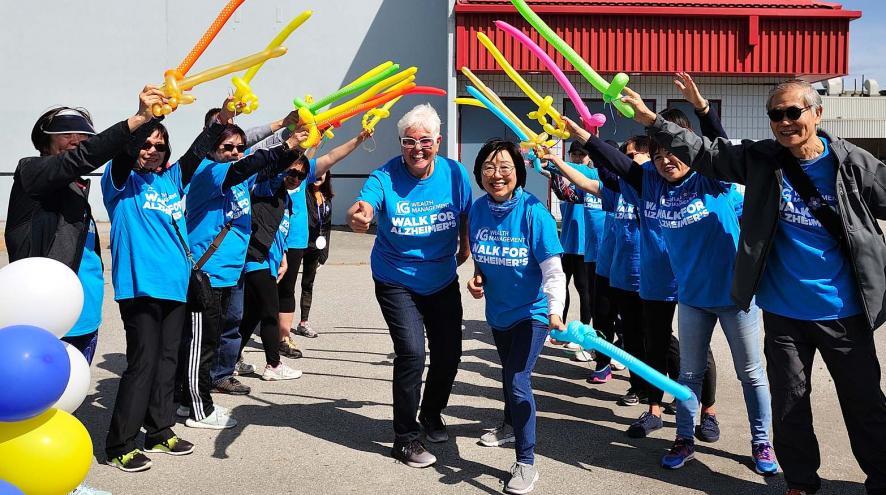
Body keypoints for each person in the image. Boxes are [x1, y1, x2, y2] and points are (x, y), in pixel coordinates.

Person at [631, 78, 886, 495]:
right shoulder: (762, 160)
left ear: (816, 113)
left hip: (844, 312)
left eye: (793, 112)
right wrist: (653, 122)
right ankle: (800, 481)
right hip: (784, 312)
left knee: (865, 406)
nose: (784, 122)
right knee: (789, 407)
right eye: (776, 114)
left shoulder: (850, 163)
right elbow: (706, 153)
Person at [563, 82, 776, 474]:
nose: (665, 161)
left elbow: (721, 146)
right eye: (658, 155)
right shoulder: (651, 187)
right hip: (693, 298)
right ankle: (683, 438)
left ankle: (762, 443)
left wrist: (702, 109)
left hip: (735, 297)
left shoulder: (710, 177)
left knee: (752, 374)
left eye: (672, 152)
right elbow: (620, 165)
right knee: (687, 375)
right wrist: (589, 141)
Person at [102, 100, 235, 471]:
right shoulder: (119, 180)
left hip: (177, 286)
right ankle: (120, 444)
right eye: (146, 144)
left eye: (160, 145)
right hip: (141, 286)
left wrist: (221, 123)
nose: (152, 150)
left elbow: (195, 153)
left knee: (168, 361)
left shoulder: (170, 179)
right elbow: (126, 149)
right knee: (142, 363)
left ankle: (159, 431)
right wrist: (152, 116)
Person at [347, 104, 471, 468]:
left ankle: (430, 413)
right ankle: (404, 438)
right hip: (395, 278)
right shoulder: (384, 176)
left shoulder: (454, 173)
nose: (417, 148)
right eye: (409, 141)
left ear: (438, 142)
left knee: (449, 354)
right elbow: (365, 204)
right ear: (400, 143)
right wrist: (362, 215)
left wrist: (465, 249)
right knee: (413, 353)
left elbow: (465, 214)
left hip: (441, 278)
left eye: (425, 141)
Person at [5, 87, 164, 365]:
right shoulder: (31, 171)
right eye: (66, 134)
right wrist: (138, 118)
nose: (76, 140)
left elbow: (123, 154)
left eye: (83, 136)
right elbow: (85, 156)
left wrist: (151, 119)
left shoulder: (78, 189)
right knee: (39, 398)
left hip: (85, 315)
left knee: (72, 396)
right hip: (45, 312)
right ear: (45, 142)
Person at [178, 116, 308, 430]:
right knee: (202, 343)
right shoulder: (210, 172)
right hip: (206, 272)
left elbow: (266, 168)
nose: (236, 152)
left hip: (229, 273)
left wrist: (299, 145)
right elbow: (248, 166)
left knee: (219, 335)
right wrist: (288, 139)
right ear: (211, 149)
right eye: (228, 147)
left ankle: (194, 397)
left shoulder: (238, 178)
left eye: (240, 147)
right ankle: (197, 407)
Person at [468, 139, 566, 494]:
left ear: (518, 172)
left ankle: (526, 462)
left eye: (505, 167)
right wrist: (479, 277)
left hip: (533, 313)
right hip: (498, 312)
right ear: (480, 173)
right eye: (489, 168)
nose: (497, 175)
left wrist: (555, 313)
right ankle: (510, 425)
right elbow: (482, 253)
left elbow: (554, 273)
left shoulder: (533, 212)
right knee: (509, 374)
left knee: (518, 379)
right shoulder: (478, 210)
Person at [281, 131, 372, 344]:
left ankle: (283, 338)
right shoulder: (277, 176)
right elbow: (306, 157)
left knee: (287, 292)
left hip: (298, 242)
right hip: (275, 243)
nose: (296, 175)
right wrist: (309, 142)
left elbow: (332, 156)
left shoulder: (304, 179)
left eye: (300, 173)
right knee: (270, 293)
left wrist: (358, 139)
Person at [236, 150, 316, 381]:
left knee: (251, 316)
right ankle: (273, 364)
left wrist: (282, 257)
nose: (294, 178)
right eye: (291, 171)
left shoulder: (286, 198)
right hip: (256, 259)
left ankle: (230, 358)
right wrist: (294, 146)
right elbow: (272, 174)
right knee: (270, 313)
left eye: (300, 176)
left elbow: (279, 232)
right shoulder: (268, 188)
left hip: (269, 262)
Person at [293, 170, 334, 337]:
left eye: (323, 173)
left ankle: (304, 323)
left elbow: (328, 226)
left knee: (308, 285)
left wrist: (325, 252)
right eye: (316, 173)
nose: (319, 176)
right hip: (298, 243)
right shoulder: (303, 192)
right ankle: (278, 322)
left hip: (315, 247)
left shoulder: (327, 197)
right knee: (286, 286)